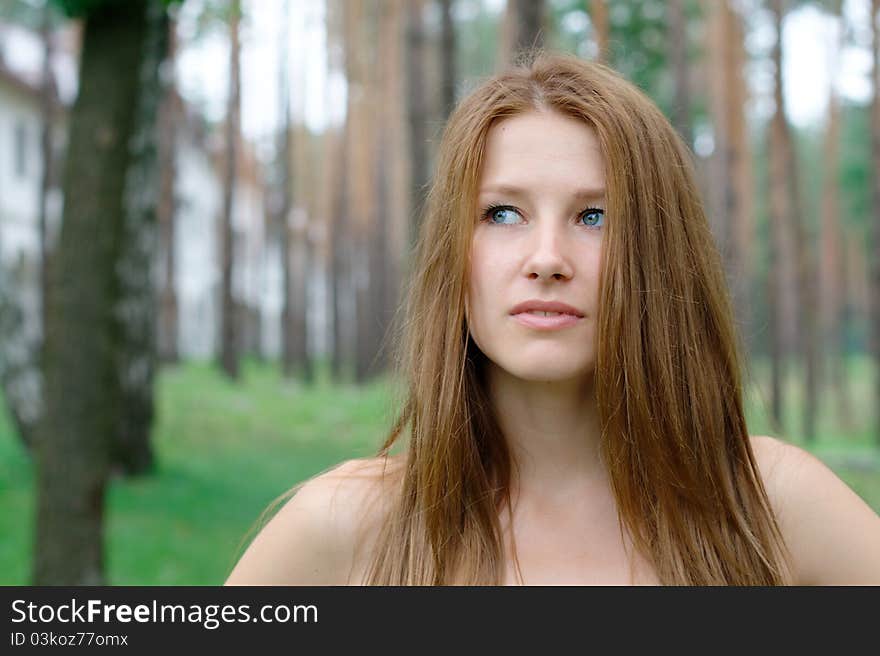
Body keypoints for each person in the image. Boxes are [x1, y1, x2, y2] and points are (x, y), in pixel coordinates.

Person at [225, 52, 880, 586]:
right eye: (503, 214)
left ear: (660, 256)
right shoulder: (346, 528)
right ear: (455, 254)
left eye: (595, 216)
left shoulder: (769, 506)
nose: (546, 260)